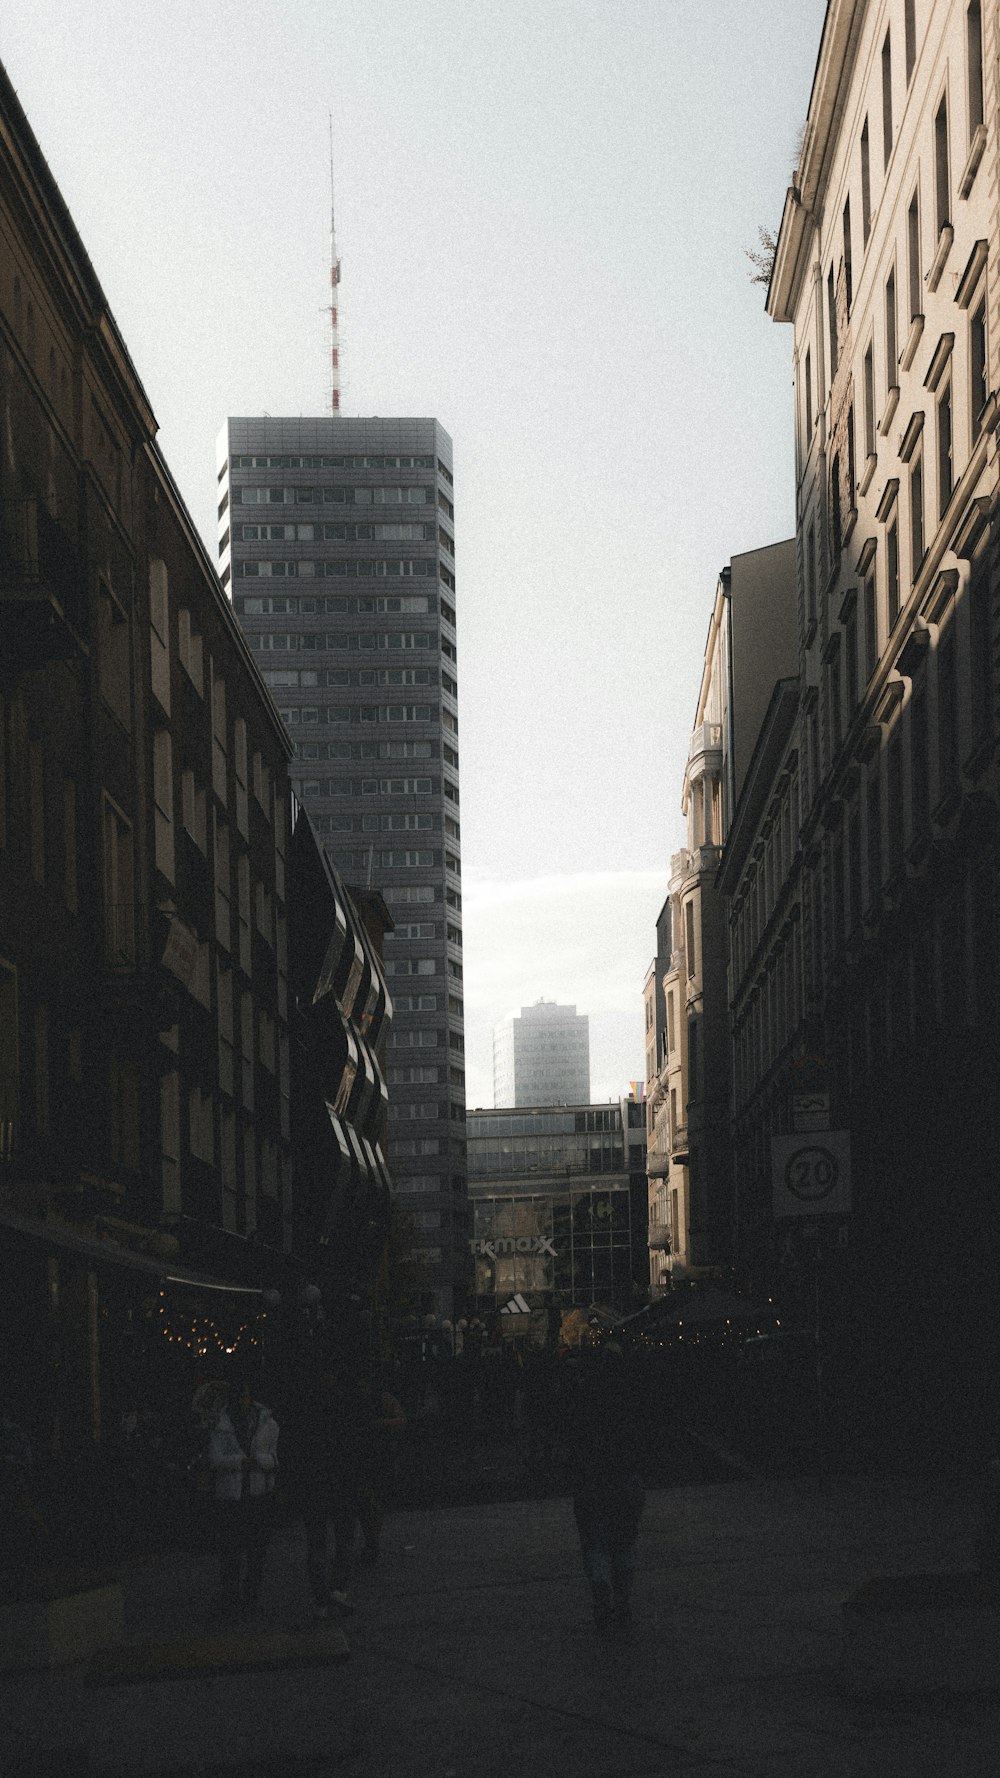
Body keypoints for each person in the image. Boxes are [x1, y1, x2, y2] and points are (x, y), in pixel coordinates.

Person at [568, 1341, 644, 1634]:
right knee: (624, 1542)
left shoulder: (583, 1398)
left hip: (593, 1479)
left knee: (595, 1542)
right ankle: (622, 1601)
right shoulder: (629, 1398)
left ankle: (602, 1596)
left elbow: (575, 1438)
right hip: (625, 1477)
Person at [207, 1368, 279, 1618]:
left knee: (255, 1549)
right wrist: (243, 1462)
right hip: (234, 1495)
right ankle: (233, 1596)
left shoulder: (267, 1424)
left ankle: (249, 1593)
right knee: (232, 1550)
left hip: (256, 1492)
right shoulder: (221, 1424)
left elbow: (274, 1458)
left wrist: (256, 1461)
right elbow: (214, 1459)